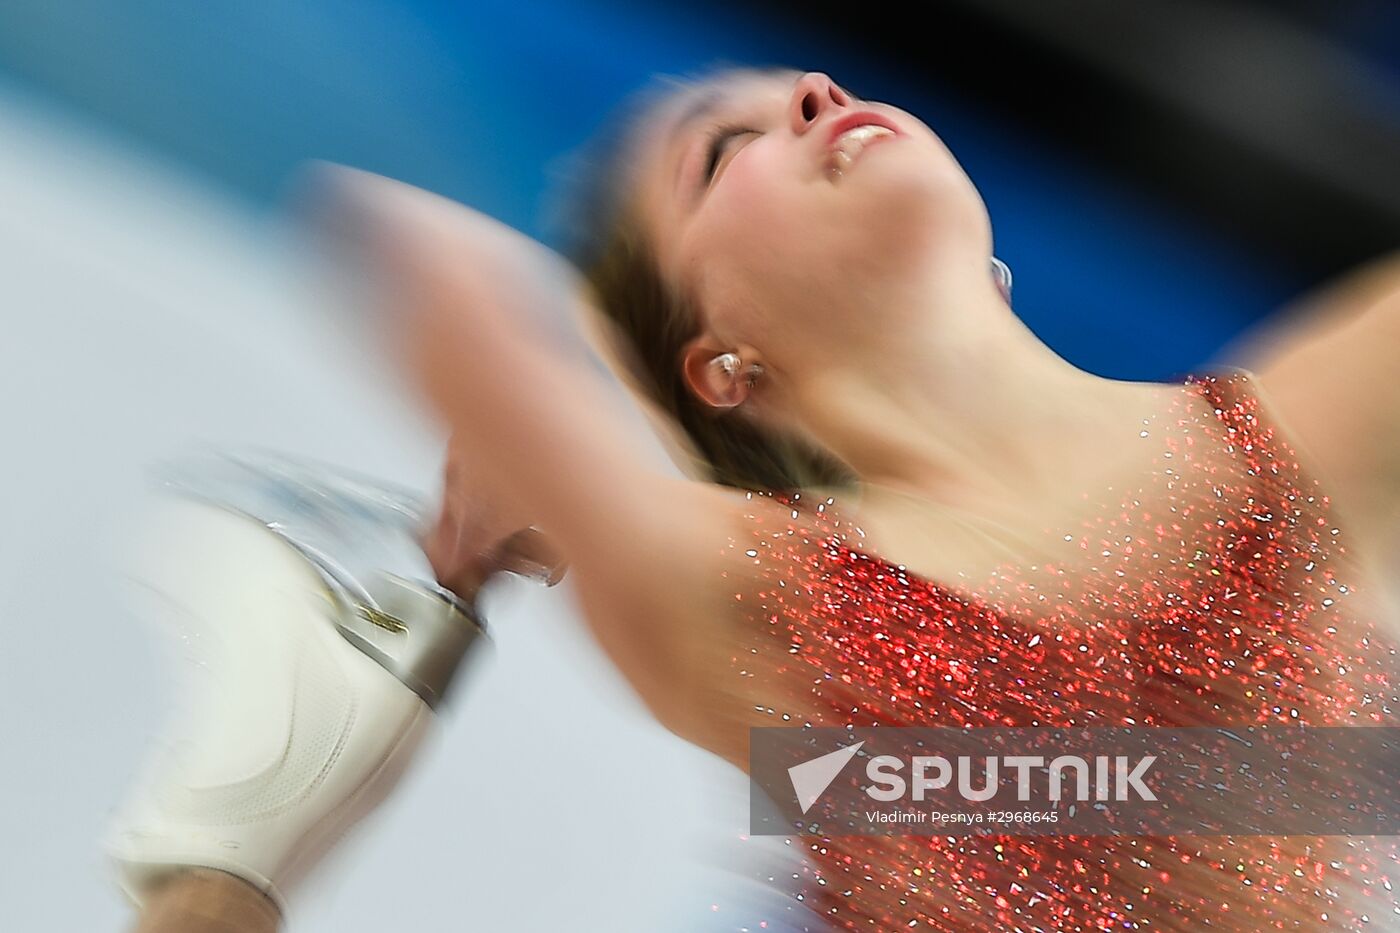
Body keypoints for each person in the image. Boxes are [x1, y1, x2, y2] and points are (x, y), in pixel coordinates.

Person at [112, 65, 1400, 930]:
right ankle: (232, 844)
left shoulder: (1299, 437)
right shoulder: (756, 586)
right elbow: (411, 252)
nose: (817, 92)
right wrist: (594, 425)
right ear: (718, 364)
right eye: (724, 151)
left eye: (810, 90)